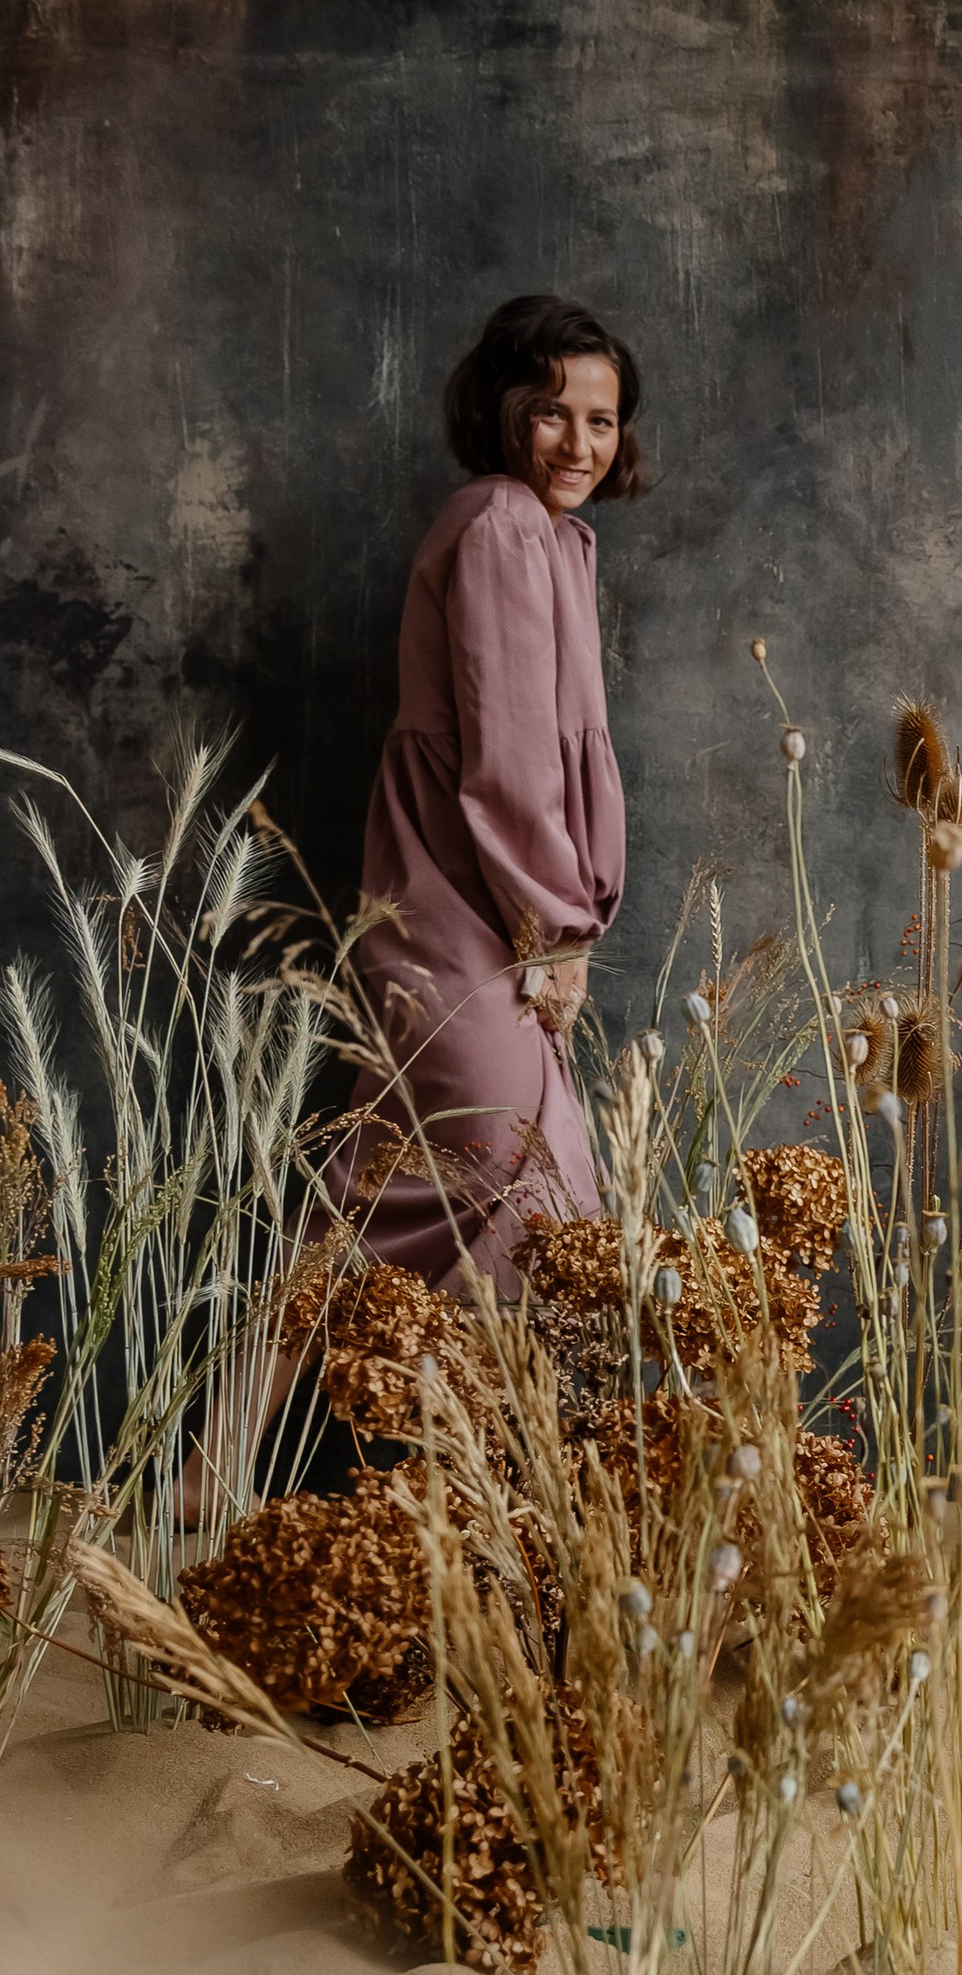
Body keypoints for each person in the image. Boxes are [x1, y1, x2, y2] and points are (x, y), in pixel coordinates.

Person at [347, 292, 642, 1287]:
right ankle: (276, 1366)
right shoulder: (506, 525)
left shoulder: (553, 538)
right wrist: (554, 929)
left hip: (468, 909)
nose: (579, 444)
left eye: (601, 419)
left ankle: (263, 1393)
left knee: (403, 1214)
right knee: (509, 1186)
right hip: (465, 909)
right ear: (503, 410)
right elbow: (511, 761)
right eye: (551, 412)